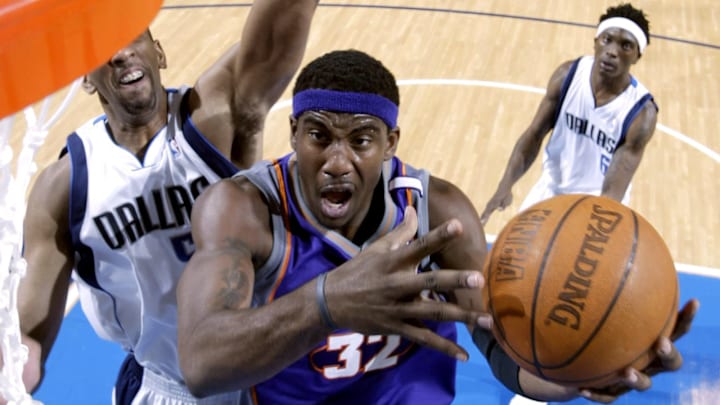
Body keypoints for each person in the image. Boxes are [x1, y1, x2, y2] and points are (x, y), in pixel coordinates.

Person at [176, 49, 698, 404]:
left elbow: (501, 349)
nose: (337, 161)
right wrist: (329, 302)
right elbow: (201, 364)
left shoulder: (439, 214)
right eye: (318, 136)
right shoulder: (243, 209)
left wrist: (579, 376)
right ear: (292, 133)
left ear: (391, 143)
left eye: (360, 140)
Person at [16, 1, 319, 403]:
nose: (121, 53)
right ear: (86, 79)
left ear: (159, 53)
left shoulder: (212, 120)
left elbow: (270, 41)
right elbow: (26, 338)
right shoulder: (64, 188)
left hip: (266, 368)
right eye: (103, 49)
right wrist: (15, 370)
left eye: (132, 39)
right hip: (166, 388)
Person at [481, 3, 659, 225]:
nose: (612, 51)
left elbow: (614, 189)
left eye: (626, 46)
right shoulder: (567, 76)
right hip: (551, 187)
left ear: (637, 56)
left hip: (599, 204)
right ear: (596, 41)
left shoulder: (641, 114)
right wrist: (505, 185)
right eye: (607, 39)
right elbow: (534, 135)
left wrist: (589, 230)